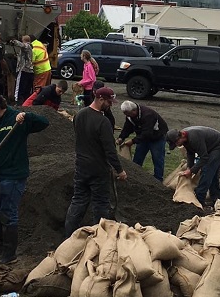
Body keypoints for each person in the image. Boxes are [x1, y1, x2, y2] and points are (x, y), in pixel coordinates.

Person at [0, 92, 50, 264]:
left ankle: (9, 255)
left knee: (9, 213)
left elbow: (45, 123)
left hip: (14, 175)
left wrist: (28, 115)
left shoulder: (17, 119)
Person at [66, 87, 126, 235]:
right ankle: (100, 237)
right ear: (100, 99)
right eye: (109, 102)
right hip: (98, 169)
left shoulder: (79, 115)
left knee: (78, 201)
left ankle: (69, 236)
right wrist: (120, 170)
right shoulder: (103, 122)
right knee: (100, 204)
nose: (110, 105)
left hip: (81, 166)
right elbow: (110, 150)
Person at [166, 126, 220, 208]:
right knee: (212, 174)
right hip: (210, 147)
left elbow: (204, 157)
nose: (177, 146)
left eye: (176, 143)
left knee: (207, 170)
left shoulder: (194, 137)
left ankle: (199, 200)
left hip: (219, 145)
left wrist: (191, 171)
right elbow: (190, 153)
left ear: (180, 137)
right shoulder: (185, 139)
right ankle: (217, 200)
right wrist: (189, 168)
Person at [118, 100, 169, 180]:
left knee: (157, 159)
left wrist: (133, 141)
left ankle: (158, 180)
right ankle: (135, 177)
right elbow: (127, 127)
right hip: (143, 137)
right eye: (125, 114)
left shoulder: (148, 115)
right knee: (137, 159)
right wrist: (121, 137)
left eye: (128, 114)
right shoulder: (130, 115)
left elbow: (147, 133)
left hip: (157, 137)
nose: (127, 116)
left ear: (134, 111)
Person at [10, 34, 35, 105]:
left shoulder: (27, 46)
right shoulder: (31, 48)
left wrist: (14, 41)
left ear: (24, 41)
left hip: (24, 70)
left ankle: (17, 102)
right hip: (30, 71)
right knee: (27, 89)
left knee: (19, 89)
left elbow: (22, 45)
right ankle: (25, 104)